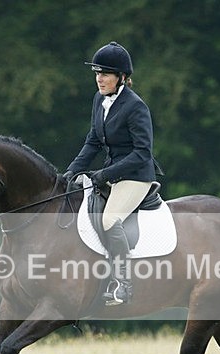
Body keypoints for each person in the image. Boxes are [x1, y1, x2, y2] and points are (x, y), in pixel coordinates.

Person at [63, 41, 163, 306]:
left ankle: (123, 283)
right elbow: (93, 141)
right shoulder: (99, 100)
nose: (99, 79)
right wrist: (71, 171)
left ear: (122, 78)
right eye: (97, 73)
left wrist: (104, 174)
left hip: (136, 176)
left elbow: (143, 153)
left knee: (109, 221)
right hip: (113, 175)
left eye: (105, 73)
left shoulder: (135, 106)